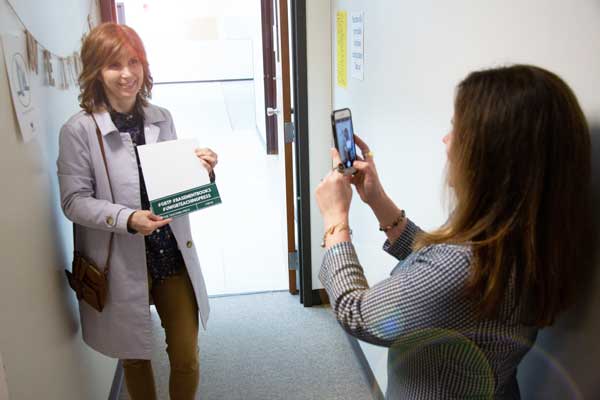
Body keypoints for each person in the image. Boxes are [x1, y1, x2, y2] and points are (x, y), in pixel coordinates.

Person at [315, 65, 591, 398]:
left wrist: (335, 220)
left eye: (456, 129)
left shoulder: (461, 264)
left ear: (490, 156)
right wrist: (378, 200)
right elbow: (432, 267)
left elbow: (356, 312)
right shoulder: (526, 239)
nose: (446, 141)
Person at [57, 23, 217, 400]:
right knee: (134, 357)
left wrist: (203, 170)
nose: (127, 74)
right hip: (120, 260)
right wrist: (127, 219)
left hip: (169, 254)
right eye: (114, 65)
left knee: (186, 356)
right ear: (96, 71)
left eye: (134, 62)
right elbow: (73, 200)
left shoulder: (161, 117)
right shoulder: (78, 131)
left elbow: (174, 184)